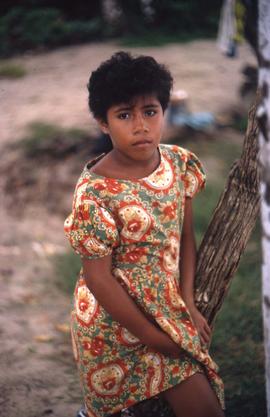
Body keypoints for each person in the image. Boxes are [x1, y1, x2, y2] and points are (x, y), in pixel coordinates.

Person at [64, 51, 225, 417]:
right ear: (102, 123)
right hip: (113, 325)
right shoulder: (95, 193)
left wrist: (186, 301)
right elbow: (98, 279)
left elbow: (183, 239)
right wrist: (155, 338)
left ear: (164, 112)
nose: (140, 126)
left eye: (150, 111)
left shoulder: (177, 164)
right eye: (124, 115)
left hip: (166, 313)